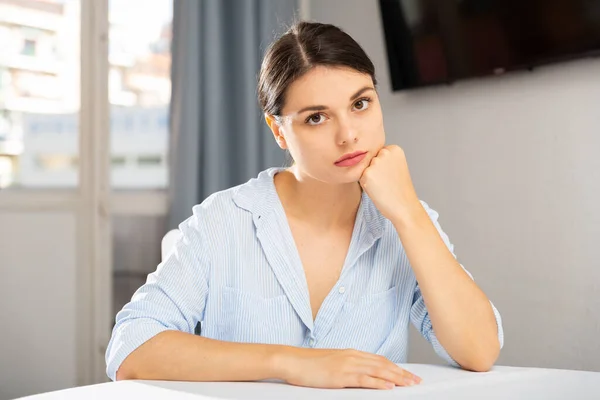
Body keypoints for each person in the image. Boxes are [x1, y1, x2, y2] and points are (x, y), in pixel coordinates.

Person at [106, 21, 503, 390]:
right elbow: (130, 349)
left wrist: (409, 214)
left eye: (360, 104)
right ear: (278, 130)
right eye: (317, 118)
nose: (348, 135)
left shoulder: (404, 220)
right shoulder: (222, 222)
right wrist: (290, 362)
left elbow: (479, 351)